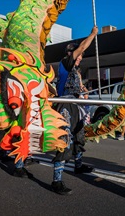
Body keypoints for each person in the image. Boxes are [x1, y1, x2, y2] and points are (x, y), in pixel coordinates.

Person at [52, 25, 98, 195]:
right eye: (79, 55)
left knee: (79, 136)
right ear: (71, 53)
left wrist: (85, 93)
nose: (80, 59)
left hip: (76, 106)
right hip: (65, 106)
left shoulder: (75, 70)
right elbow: (83, 47)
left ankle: (78, 165)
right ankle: (56, 180)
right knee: (65, 140)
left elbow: (80, 88)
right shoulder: (65, 63)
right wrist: (92, 34)